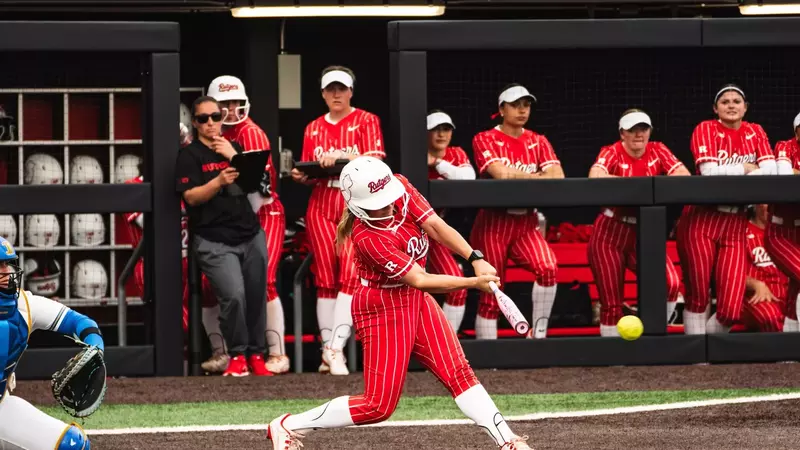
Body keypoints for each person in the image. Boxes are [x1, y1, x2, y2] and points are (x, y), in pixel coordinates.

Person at [267, 157, 533, 450]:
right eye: (379, 203)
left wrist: (475, 258)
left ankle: (508, 442)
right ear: (359, 207)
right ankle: (288, 425)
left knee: (459, 372)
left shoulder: (399, 186)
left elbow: (434, 224)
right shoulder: (367, 237)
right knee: (378, 406)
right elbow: (419, 279)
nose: (390, 205)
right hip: (382, 306)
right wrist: (473, 282)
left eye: (388, 198)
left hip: (414, 301)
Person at [290, 65, 385, 375]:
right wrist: (301, 175)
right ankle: (327, 351)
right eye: (330, 89)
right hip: (320, 202)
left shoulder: (366, 120)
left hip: (353, 204)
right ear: (322, 93)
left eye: (341, 89)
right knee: (325, 280)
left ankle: (336, 349)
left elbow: (376, 161)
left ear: (351, 92)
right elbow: (310, 170)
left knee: (350, 274)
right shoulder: (313, 127)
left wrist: (341, 159)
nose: (336, 94)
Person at [175, 96, 271, 377]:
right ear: (194, 123)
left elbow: (259, 184)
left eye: (215, 117)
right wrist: (218, 181)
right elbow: (191, 198)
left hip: (249, 233)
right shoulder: (188, 156)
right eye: (203, 119)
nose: (210, 124)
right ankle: (238, 354)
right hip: (213, 239)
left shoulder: (235, 147)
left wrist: (233, 155)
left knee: (256, 295)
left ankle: (256, 355)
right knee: (234, 296)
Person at [676, 84, 776, 335]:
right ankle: (697, 360)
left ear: (745, 108)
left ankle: (705, 347)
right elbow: (709, 172)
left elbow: (771, 171)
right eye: (725, 101)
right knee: (698, 294)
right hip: (702, 218)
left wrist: (743, 170)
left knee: (730, 308)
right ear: (715, 108)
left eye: (736, 101)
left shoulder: (755, 131)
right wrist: (746, 168)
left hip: (735, 221)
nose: (731, 105)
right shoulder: (706, 128)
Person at [208, 75, 290, 374]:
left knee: (264, 282)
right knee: (223, 286)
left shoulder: (250, 133)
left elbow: (263, 185)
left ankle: (276, 352)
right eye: (224, 103)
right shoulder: (211, 132)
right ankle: (226, 352)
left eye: (234, 103)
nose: (230, 109)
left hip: (262, 212)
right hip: (230, 217)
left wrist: (234, 158)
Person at [470, 83, 562, 340]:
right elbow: (499, 173)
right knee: (491, 289)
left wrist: (522, 176)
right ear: (501, 109)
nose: (522, 110)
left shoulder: (538, 140)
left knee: (548, 269)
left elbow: (558, 176)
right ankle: (487, 356)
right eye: (515, 105)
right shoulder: (485, 138)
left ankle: (539, 336)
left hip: (526, 222)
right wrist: (537, 175)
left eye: (526, 104)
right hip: (493, 221)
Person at [587, 109, 690, 336]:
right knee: (611, 303)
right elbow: (595, 175)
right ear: (622, 133)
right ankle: (613, 360)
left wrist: (651, 185)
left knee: (671, 284)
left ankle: (651, 335)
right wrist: (639, 186)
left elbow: (683, 175)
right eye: (632, 129)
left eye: (643, 128)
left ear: (650, 131)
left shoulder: (658, 149)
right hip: (610, 232)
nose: (638, 134)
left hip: (644, 232)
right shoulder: (612, 151)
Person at [121, 172, 228, 374]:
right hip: (154, 263)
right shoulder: (133, 185)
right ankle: (176, 375)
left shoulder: (188, 183)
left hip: (191, 259)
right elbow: (155, 225)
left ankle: (221, 353)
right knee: (178, 323)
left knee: (215, 294)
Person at [0, 236, 101, 449]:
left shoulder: (24, 306)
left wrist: (96, 347)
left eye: (6, 264)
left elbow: (81, 322)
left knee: (73, 445)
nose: (6, 272)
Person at [425, 109, 477, 332]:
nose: (441, 134)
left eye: (445, 129)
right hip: (416, 230)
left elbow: (468, 178)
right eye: (435, 130)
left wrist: (436, 163)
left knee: (457, 286)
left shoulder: (456, 153)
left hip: (440, 230)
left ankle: (447, 342)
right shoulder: (414, 152)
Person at [764, 111, 800, 332]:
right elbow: (786, 175)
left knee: (795, 289)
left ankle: (787, 355)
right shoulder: (786, 146)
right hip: (781, 232)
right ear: (797, 132)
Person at [740, 205, 787, 332]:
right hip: (756, 297)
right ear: (755, 204)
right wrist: (755, 284)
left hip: (788, 295)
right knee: (771, 317)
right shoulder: (740, 232)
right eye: (767, 203)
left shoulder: (785, 232)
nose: (772, 207)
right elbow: (728, 273)